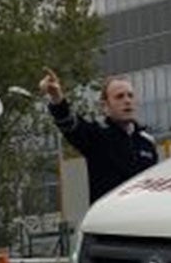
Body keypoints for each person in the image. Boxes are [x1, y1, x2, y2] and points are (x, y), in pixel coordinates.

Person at [39, 69, 160, 203]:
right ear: (105, 106)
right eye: (119, 96)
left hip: (143, 219)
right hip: (109, 220)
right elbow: (70, 124)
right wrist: (57, 98)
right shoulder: (96, 136)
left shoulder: (147, 142)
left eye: (130, 95)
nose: (127, 101)